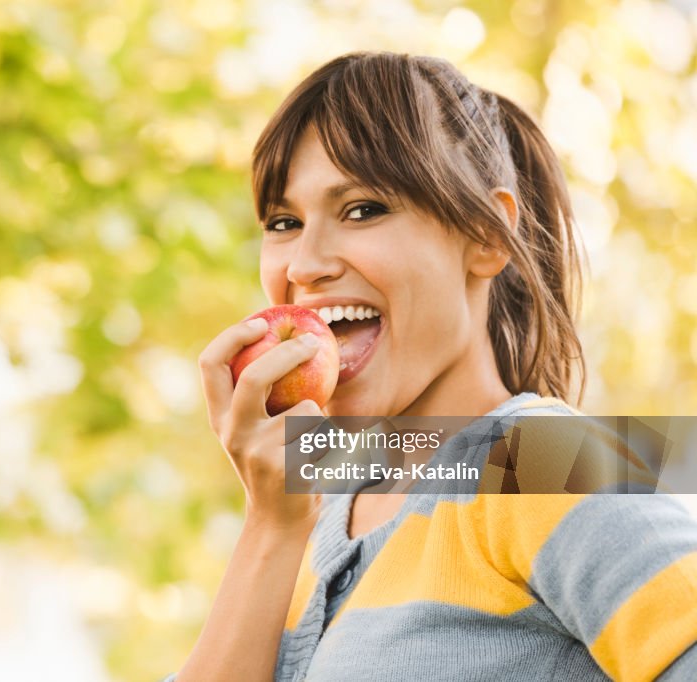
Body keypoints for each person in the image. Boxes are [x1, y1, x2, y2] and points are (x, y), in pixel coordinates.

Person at [168, 52, 697, 681]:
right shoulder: (318, 513)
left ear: (487, 235)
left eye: (363, 209)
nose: (304, 265)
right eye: (284, 222)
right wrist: (271, 524)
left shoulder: (548, 460)